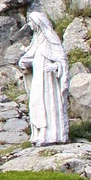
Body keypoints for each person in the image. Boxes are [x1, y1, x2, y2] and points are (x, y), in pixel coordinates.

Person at [19, 11, 69, 145]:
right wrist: (24, 63)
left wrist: (55, 67)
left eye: (31, 22)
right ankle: (39, 133)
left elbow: (62, 60)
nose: (29, 25)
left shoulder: (50, 39)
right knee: (36, 104)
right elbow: (30, 56)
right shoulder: (36, 40)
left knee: (48, 105)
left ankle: (51, 135)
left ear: (38, 23)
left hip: (49, 81)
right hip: (38, 80)